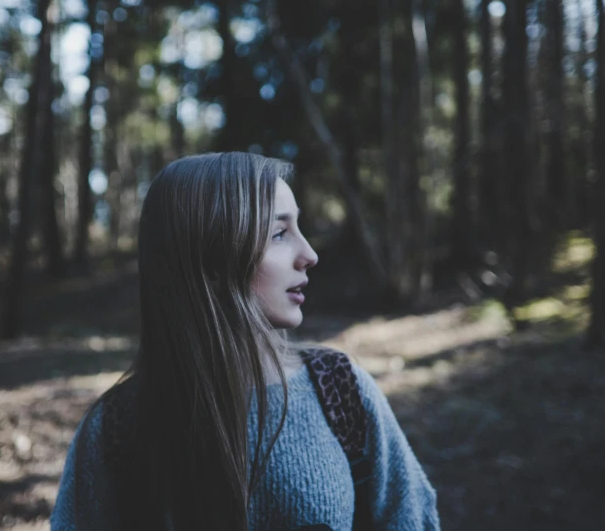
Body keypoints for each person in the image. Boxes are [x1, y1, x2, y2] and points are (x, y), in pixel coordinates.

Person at [50, 152, 440, 531]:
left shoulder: (340, 391)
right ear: (212, 262)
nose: (309, 254)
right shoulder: (115, 430)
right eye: (279, 233)